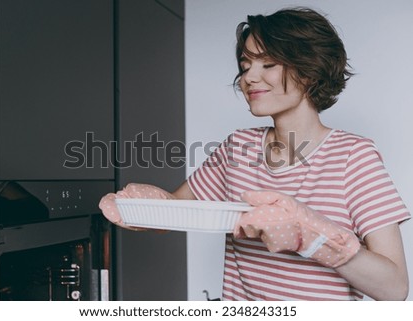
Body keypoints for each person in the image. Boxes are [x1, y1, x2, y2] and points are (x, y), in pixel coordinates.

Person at [99, 7, 410, 300]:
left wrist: (314, 238)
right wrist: (142, 207)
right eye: (246, 66)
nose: (248, 77)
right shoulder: (238, 149)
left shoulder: (353, 157)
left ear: (310, 71)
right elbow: (177, 208)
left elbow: (395, 289)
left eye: (268, 64)